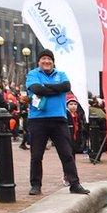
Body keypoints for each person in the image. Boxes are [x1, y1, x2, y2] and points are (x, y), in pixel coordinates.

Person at [25, 49, 89, 195]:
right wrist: (55, 89)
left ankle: (74, 184)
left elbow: (66, 87)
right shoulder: (33, 74)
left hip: (59, 119)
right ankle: (35, 185)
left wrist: (45, 87)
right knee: (36, 155)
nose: (47, 61)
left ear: (53, 62)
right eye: (44, 59)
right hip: (38, 120)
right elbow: (36, 89)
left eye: (49, 59)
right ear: (39, 61)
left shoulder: (61, 74)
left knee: (67, 153)